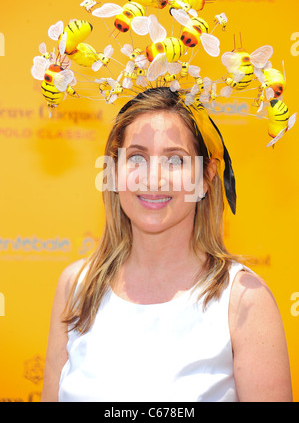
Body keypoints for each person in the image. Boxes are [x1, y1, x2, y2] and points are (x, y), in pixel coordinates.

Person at [41, 87, 292, 402]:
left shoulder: (243, 301)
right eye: (137, 157)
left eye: (175, 159)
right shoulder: (76, 286)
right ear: (114, 171)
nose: (153, 177)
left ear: (205, 177)